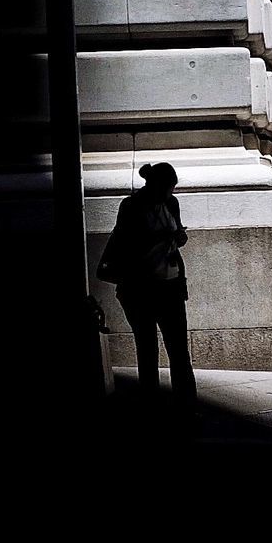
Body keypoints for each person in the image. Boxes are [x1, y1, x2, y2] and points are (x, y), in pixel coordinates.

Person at [98, 161, 196, 413]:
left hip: (170, 284)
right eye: (168, 188)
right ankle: (151, 405)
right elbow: (127, 243)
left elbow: (176, 237)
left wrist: (178, 238)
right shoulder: (131, 206)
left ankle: (186, 405)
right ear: (156, 185)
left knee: (178, 350)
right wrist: (159, 238)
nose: (171, 194)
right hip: (140, 287)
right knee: (147, 347)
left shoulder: (171, 204)